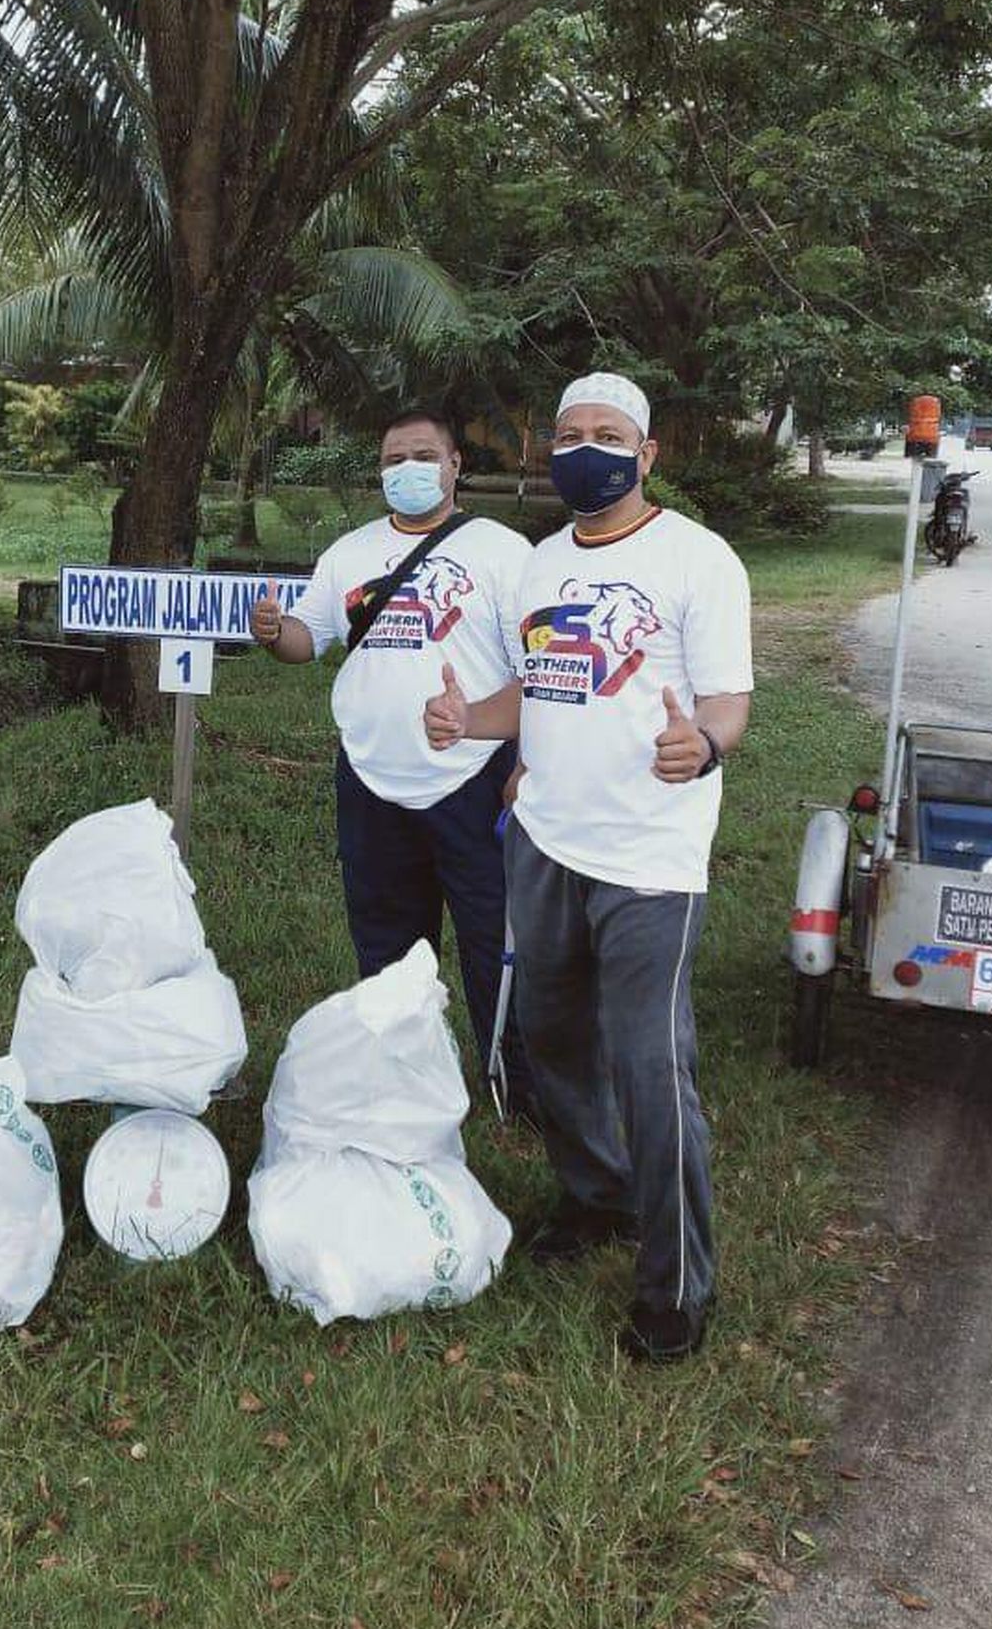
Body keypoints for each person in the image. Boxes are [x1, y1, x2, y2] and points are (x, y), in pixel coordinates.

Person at [423, 371, 752, 1361]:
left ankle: (677, 1282)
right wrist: (465, 720)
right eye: (569, 433)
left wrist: (703, 745)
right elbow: (531, 691)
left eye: (608, 434)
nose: (585, 449)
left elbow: (727, 701)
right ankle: (595, 1193)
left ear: (646, 454)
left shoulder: (699, 559)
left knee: (651, 1066)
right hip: (545, 840)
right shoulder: (538, 566)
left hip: (650, 857)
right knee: (550, 1036)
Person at [250, 407, 532, 1098]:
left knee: (491, 937)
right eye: (392, 458)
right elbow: (305, 640)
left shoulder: (502, 551)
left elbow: (538, 677)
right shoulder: (349, 553)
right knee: (386, 943)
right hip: (371, 779)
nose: (406, 469)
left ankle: (514, 1081)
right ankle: (402, 1078)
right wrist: (271, 630)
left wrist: (523, 765)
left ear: (454, 464)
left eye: (422, 455)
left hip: (472, 777)